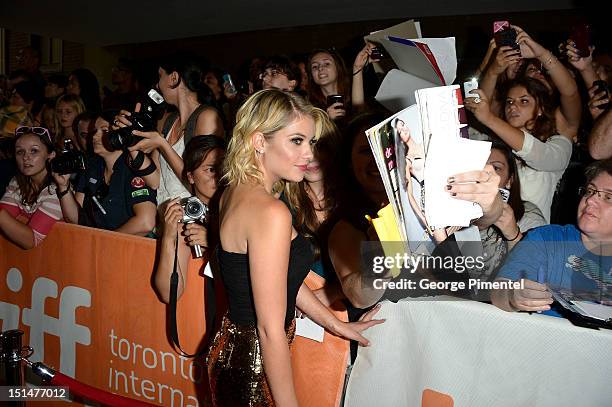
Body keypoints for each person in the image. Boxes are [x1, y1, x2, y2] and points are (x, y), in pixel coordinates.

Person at [206, 90, 383, 407]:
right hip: (255, 365)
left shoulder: (234, 192)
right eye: (297, 141)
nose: (309, 154)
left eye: (311, 142)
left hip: (233, 350)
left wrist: (335, 325)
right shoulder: (270, 212)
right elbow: (270, 329)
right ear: (260, 141)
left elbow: (279, 278)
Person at [491, 159, 612, 315]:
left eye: (608, 197)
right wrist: (513, 296)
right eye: (590, 191)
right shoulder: (547, 239)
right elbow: (499, 292)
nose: (591, 200)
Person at [115, 54, 224, 206]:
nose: (158, 85)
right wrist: (131, 138)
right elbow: (155, 180)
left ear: (174, 78)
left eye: (160, 76)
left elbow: (201, 185)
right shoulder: (168, 121)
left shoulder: (207, 117)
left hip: (193, 220)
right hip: (166, 219)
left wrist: (163, 145)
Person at [465, 78, 572, 222]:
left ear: (541, 109)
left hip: (528, 232)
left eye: (524, 101)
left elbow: (539, 155)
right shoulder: (492, 142)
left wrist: (489, 118)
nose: (513, 106)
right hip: (486, 229)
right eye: (509, 102)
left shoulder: (558, 144)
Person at [54, 115, 157, 236]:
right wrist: (63, 187)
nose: (94, 136)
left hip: (126, 248)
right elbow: (76, 219)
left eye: (104, 131)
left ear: (120, 136)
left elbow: (146, 223)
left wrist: (104, 241)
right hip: (96, 245)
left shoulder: (134, 167)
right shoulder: (92, 165)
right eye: (94, 131)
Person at [154, 135, 226, 302]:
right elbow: (169, 294)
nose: (219, 176)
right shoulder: (186, 221)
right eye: (210, 169)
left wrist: (213, 244)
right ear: (191, 177)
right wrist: (168, 235)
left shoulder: (240, 206)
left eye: (223, 168)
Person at [477, 141, 546, 279]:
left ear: (509, 180)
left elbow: (539, 272)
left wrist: (513, 234)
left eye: (496, 168)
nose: (486, 173)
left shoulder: (529, 216)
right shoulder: (457, 212)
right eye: (480, 166)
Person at [0, 126, 62, 249]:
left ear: (51, 155)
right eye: (20, 152)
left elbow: (31, 240)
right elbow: (6, 215)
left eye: (34, 151)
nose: (26, 157)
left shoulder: (56, 191)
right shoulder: (17, 183)